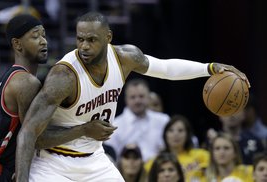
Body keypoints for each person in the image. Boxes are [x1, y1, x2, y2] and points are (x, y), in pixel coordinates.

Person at [15, 11, 249, 181]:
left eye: (92, 40)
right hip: (53, 163)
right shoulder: (64, 76)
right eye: (80, 39)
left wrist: (209, 68)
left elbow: (166, 69)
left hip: (94, 159)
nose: (84, 46)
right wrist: (82, 130)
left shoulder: (126, 58)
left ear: (108, 37)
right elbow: (30, 133)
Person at [0, 14, 115, 181]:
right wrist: (85, 129)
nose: (43, 41)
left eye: (44, 35)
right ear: (17, 44)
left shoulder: (16, 77)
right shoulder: (25, 83)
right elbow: (38, 138)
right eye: (35, 36)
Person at [105, 78, 170, 162]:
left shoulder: (163, 120)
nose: (137, 101)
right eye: (133, 97)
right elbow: (111, 158)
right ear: (126, 99)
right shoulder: (114, 126)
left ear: (148, 97)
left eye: (141, 96)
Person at [145, 114, 209, 180]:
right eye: (171, 130)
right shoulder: (155, 161)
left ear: (187, 134)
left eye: (180, 130)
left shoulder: (202, 155)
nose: (175, 134)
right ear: (165, 135)